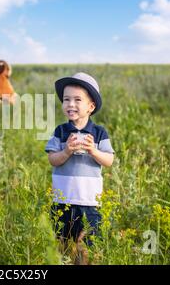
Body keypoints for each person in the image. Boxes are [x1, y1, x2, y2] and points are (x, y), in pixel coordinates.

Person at [45, 72, 115, 263]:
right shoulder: (60, 131)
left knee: (86, 246)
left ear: (91, 107)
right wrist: (66, 151)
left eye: (77, 100)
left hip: (89, 200)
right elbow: (53, 159)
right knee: (62, 242)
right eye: (66, 99)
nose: (70, 104)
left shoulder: (99, 133)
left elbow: (108, 160)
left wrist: (93, 150)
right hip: (63, 199)